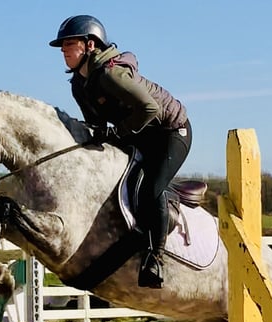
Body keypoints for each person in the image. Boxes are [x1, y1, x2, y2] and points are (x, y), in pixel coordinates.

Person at [50, 15, 192, 289]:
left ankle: (155, 258)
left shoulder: (110, 73)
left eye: (70, 43)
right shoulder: (79, 84)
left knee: (149, 188)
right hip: (139, 134)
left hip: (170, 133)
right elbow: (97, 126)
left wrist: (117, 133)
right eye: (62, 45)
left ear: (90, 45)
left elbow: (149, 109)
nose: (64, 50)